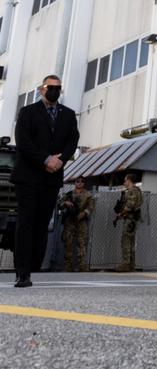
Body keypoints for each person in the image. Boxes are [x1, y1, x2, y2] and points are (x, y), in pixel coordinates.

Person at [12, 74, 79, 288]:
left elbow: (73, 140)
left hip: (51, 178)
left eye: (58, 88)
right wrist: (45, 159)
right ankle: (22, 272)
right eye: (51, 87)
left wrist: (61, 160)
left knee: (41, 224)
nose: (54, 91)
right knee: (26, 222)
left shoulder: (68, 115)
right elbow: (23, 142)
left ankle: (33, 265)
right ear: (42, 89)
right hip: (29, 176)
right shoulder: (28, 112)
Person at [60, 177, 94, 272]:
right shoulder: (69, 194)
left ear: (84, 184)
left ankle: (82, 266)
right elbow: (60, 204)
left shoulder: (88, 194)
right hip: (70, 221)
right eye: (77, 181)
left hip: (81, 221)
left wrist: (83, 214)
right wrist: (65, 203)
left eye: (81, 182)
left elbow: (91, 207)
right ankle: (68, 266)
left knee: (81, 243)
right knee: (68, 244)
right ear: (75, 183)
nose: (79, 183)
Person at [114, 172, 144, 272]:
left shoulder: (133, 191)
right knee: (130, 242)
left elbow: (130, 205)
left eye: (125, 180)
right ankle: (131, 265)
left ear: (129, 180)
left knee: (126, 242)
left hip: (130, 219)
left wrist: (121, 214)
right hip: (132, 219)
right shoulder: (134, 191)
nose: (124, 182)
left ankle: (126, 264)